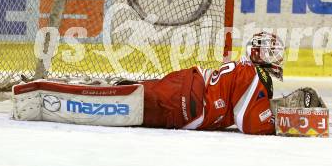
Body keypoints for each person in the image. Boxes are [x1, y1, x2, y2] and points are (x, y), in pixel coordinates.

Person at [116, 32, 321, 135]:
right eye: (273, 54)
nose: (277, 60)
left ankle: (106, 88)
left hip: (185, 84)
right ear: (261, 55)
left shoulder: (244, 68)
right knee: (126, 104)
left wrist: (272, 107)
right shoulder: (256, 75)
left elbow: (241, 104)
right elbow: (249, 123)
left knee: (131, 91)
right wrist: (291, 124)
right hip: (185, 105)